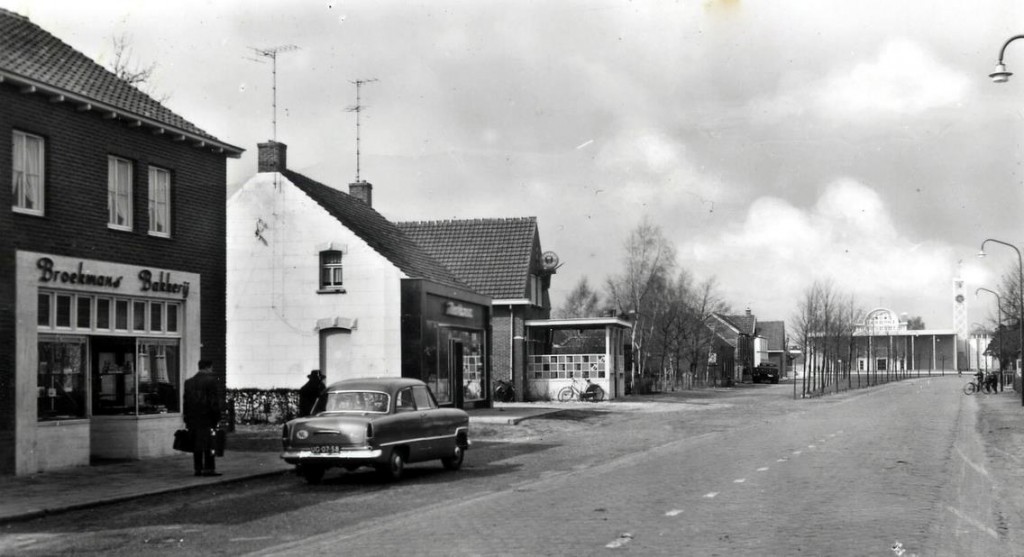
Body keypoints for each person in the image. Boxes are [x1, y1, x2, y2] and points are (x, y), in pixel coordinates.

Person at [183, 359, 222, 477]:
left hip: (193, 419)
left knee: (197, 445)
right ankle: (209, 469)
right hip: (207, 418)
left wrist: (186, 417)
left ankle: (198, 469)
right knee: (210, 445)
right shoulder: (210, 382)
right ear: (208, 367)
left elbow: (186, 402)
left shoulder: (188, 382)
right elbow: (213, 402)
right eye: (211, 368)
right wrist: (217, 417)